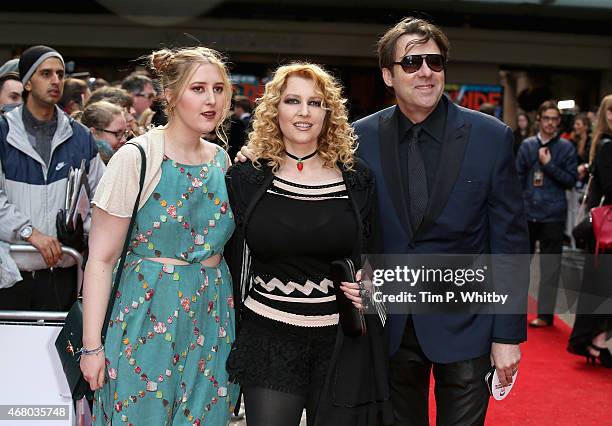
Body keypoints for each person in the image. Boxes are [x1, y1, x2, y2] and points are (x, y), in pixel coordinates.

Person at [352, 17, 529, 425]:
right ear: (387, 75)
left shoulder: (490, 137)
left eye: (434, 61)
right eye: (412, 62)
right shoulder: (359, 139)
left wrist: (507, 335)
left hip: (468, 323)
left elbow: (509, 243)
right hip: (389, 325)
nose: (426, 71)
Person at [225, 63, 391, 426]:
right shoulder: (246, 176)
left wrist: (369, 290)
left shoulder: (357, 177)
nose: (303, 112)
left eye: (315, 103)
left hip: (340, 342)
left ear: (328, 113)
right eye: (292, 101)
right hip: (268, 336)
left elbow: (374, 258)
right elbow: (228, 255)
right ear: (275, 109)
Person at [80, 46, 238, 424]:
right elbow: (101, 258)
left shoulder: (222, 160)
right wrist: (91, 348)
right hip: (146, 314)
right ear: (169, 95)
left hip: (212, 315)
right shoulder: (137, 157)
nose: (211, 99)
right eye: (198, 88)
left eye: (218, 89)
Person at [0, 45, 105, 311]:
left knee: (57, 353)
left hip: (64, 272)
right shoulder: (3, 132)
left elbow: (101, 198)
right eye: (46, 73)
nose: (56, 80)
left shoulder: (80, 136)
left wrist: (81, 232)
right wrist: (29, 232)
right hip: (12, 271)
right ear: (27, 83)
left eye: (59, 74)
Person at [516, 100, 577, 327]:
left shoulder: (566, 148)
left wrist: (549, 165)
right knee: (521, 264)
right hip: (527, 212)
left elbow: (571, 180)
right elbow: (517, 178)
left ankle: (545, 315)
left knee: (550, 267)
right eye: (547, 118)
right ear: (539, 120)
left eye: (555, 119)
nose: (551, 123)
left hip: (553, 213)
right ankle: (516, 311)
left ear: (558, 122)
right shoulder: (527, 146)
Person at [567, 94, 612, 368]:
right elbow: (609, 189)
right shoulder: (607, 146)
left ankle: (595, 341)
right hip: (606, 235)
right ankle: (593, 342)